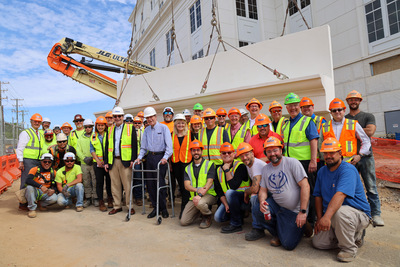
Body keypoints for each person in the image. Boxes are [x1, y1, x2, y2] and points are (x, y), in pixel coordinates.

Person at [312, 138, 371, 262]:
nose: (328, 156)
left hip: (356, 213)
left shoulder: (347, 170)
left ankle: (349, 249)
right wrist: (319, 218)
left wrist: (326, 217)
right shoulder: (322, 171)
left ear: (340, 153)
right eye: (325, 153)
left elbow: (340, 195)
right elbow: (318, 196)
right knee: (318, 243)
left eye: (332, 153)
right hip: (334, 215)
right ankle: (352, 237)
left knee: (340, 212)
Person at [250, 136, 310, 250]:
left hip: (295, 210)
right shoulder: (266, 169)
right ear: (266, 154)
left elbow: (305, 186)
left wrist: (302, 211)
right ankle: (278, 233)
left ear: (281, 150)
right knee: (258, 209)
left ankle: (303, 224)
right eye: (269, 151)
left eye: (275, 150)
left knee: (288, 244)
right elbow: (262, 190)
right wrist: (262, 201)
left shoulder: (292, 163)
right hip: (278, 206)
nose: (272, 154)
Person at [345, 90, 384, 227]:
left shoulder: (368, 116)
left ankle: (376, 214)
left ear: (360, 101)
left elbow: (370, 131)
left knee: (371, 186)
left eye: (356, 99)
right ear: (347, 102)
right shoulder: (345, 118)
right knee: (351, 187)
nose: (353, 102)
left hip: (366, 157)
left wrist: (352, 130)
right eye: (351, 100)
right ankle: (356, 211)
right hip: (349, 158)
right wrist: (361, 130)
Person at [281, 92, 319, 228]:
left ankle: (311, 220)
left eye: (295, 105)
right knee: (294, 192)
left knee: (310, 191)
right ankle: (296, 218)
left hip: (305, 163)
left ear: (299, 106)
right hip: (290, 164)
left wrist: (313, 161)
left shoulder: (307, 121)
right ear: (286, 108)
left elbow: (313, 140)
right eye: (290, 106)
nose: (293, 108)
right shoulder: (285, 124)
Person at [134, 106, 172, 219]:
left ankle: (163, 208)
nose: (150, 119)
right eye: (148, 118)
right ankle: (156, 208)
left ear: (155, 116)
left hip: (161, 158)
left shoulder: (164, 128)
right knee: (150, 185)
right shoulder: (146, 130)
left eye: (152, 117)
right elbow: (143, 148)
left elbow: (169, 147)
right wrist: (139, 158)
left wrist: (165, 158)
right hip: (150, 157)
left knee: (159, 184)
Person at [104, 106, 138, 216]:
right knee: (115, 185)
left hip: (126, 161)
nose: (117, 118)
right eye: (115, 116)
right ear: (113, 118)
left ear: (123, 117)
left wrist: (133, 160)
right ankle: (117, 206)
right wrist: (106, 162)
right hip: (113, 161)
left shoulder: (130, 128)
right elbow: (107, 147)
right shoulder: (109, 130)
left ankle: (130, 206)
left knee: (127, 185)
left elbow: (134, 145)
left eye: (119, 116)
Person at [180, 140, 220, 228]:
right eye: (193, 150)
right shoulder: (188, 168)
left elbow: (209, 183)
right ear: (191, 152)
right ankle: (200, 211)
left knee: (200, 203)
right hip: (194, 197)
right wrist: (197, 191)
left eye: (198, 150)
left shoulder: (210, 164)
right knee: (184, 221)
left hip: (209, 195)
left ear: (202, 151)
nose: (196, 152)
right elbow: (187, 186)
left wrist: (200, 194)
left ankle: (207, 216)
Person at [214, 142, 250, 233]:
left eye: (229, 153)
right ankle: (237, 215)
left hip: (244, 200)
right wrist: (226, 204)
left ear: (234, 154)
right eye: (224, 153)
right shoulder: (218, 170)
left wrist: (227, 170)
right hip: (230, 201)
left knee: (230, 192)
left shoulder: (240, 166)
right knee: (218, 218)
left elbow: (234, 186)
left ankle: (236, 224)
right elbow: (219, 191)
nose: (226, 155)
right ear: (220, 155)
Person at [235, 143, 268, 241]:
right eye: (242, 156)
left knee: (253, 198)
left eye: (247, 154)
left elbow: (254, 189)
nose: (244, 158)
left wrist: (246, 192)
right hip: (263, 190)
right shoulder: (249, 164)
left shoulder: (256, 165)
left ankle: (258, 229)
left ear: (252, 154)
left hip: (269, 192)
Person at [16, 113, 43, 211]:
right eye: (35, 121)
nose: (37, 123)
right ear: (31, 121)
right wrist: (21, 161)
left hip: (38, 161)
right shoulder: (26, 133)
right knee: (25, 182)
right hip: (28, 161)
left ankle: (32, 201)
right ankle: (22, 203)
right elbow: (20, 148)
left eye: (38, 122)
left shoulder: (40, 134)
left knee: (35, 181)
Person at [171, 114, 193, 218]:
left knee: (186, 188)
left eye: (182, 123)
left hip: (187, 164)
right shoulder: (172, 135)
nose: (180, 125)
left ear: (185, 124)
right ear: (175, 124)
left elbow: (194, 150)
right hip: (176, 165)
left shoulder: (190, 134)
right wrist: (170, 165)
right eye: (178, 123)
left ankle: (184, 209)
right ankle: (185, 209)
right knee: (180, 185)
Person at [90, 116, 113, 212]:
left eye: (102, 125)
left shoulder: (109, 135)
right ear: (96, 126)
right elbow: (92, 150)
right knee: (99, 183)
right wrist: (98, 161)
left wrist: (106, 160)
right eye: (98, 125)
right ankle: (101, 201)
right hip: (98, 164)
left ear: (105, 126)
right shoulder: (93, 136)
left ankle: (110, 199)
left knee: (109, 182)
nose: (100, 127)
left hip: (108, 163)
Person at [25, 153, 58, 218]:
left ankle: (41, 204)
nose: (47, 163)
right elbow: (28, 180)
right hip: (35, 191)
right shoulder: (35, 169)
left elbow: (58, 185)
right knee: (29, 187)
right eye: (45, 161)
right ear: (41, 161)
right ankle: (32, 209)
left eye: (49, 162)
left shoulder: (53, 172)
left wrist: (54, 190)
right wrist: (40, 186)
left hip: (46, 193)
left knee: (54, 198)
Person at [76, 119, 97, 208]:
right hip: (84, 163)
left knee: (95, 180)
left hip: (94, 162)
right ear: (84, 127)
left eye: (90, 127)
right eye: (86, 127)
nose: (88, 128)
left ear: (92, 127)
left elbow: (98, 148)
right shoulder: (81, 138)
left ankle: (96, 197)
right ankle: (88, 198)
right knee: (86, 181)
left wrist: (93, 158)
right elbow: (78, 150)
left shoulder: (95, 136)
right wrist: (84, 158)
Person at [131, 116, 144, 206]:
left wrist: (140, 157)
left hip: (138, 160)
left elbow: (143, 146)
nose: (137, 124)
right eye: (135, 123)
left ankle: (138, 197)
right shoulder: (129, 132)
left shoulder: (141, 133)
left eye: (139, 123)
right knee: (129, 179)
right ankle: (130, 197)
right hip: (129, 159)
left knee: (138, 179)